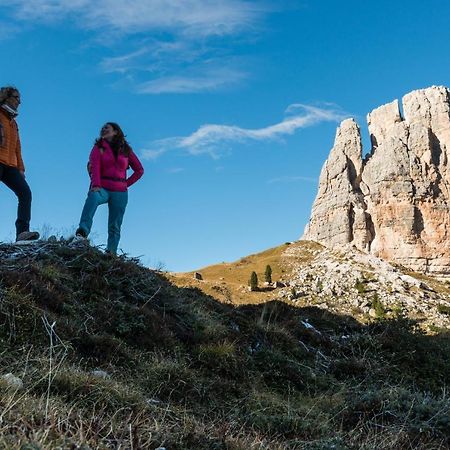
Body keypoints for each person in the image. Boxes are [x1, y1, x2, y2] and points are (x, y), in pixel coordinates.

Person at [76, 122, 144, 254]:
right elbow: (94, 167)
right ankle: (82, 232)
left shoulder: (126, 150)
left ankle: (111, 252)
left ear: (116, 132)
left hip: (120, 192)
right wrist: (95, 185)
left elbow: (139, 170)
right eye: (102, 128)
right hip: (103, 188)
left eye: (107, 128)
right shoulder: (98, 148)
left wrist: (126, 184)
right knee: (93, 197)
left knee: (115, 224)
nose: (103, 129)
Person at [0, 86, 39, 242]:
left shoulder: (13, 123)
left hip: (11, 166)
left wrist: (21, 168)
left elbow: (17, 147)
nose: (19, 102)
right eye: (16, 97)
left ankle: (22, 233)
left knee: (25, 193)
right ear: (6, 97)